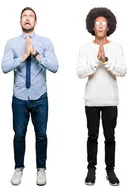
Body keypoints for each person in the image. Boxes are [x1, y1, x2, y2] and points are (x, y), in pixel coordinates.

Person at [1, 7, 58, 186]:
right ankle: (18, 169)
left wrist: (35, 54)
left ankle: (41, 169)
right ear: (20, 21)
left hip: (40, 97)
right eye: (24, 16)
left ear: (35, 22)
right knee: (19, 135)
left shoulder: (45, 42)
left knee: (41, 135)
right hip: (19, 98)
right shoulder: (11, 43)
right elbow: (4, 67)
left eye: (31, 16)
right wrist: (24, 56)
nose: (27, 19)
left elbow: (55, 66)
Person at [76, 7, 125, 186]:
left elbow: (123, 71)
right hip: (92, 101)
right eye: (97, 23)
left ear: (109, 26)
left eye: (103, 23)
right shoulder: (85, 48)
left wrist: (106, 61)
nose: (100, 26)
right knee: (92, 137)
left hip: (111, 100)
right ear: (92, 26)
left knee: (110, 137)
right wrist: (97, 61)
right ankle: (91, 170)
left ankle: (110, 170)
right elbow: (80, 73)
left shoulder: (117, 47)